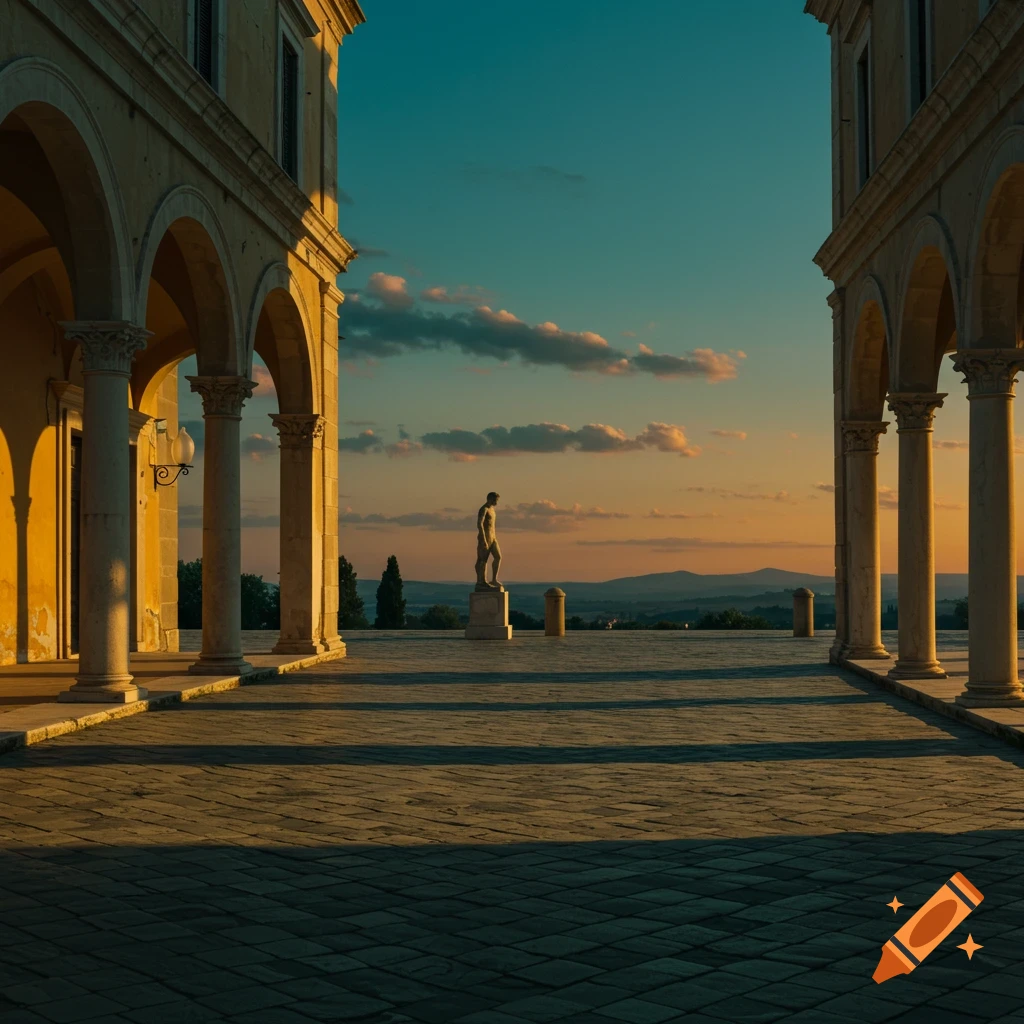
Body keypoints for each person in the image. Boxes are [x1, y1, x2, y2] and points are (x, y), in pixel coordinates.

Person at [475, 491, 501, 588]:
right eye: (495, 500)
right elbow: (479, 524)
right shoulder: (484, 509)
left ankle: (494, 579)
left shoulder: (492, 510)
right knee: (483, 560)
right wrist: (483, 539)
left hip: (493, 536)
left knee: (498, 557)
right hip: (485, 537)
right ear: (490, 499)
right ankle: (482, 581)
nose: (496, 502)